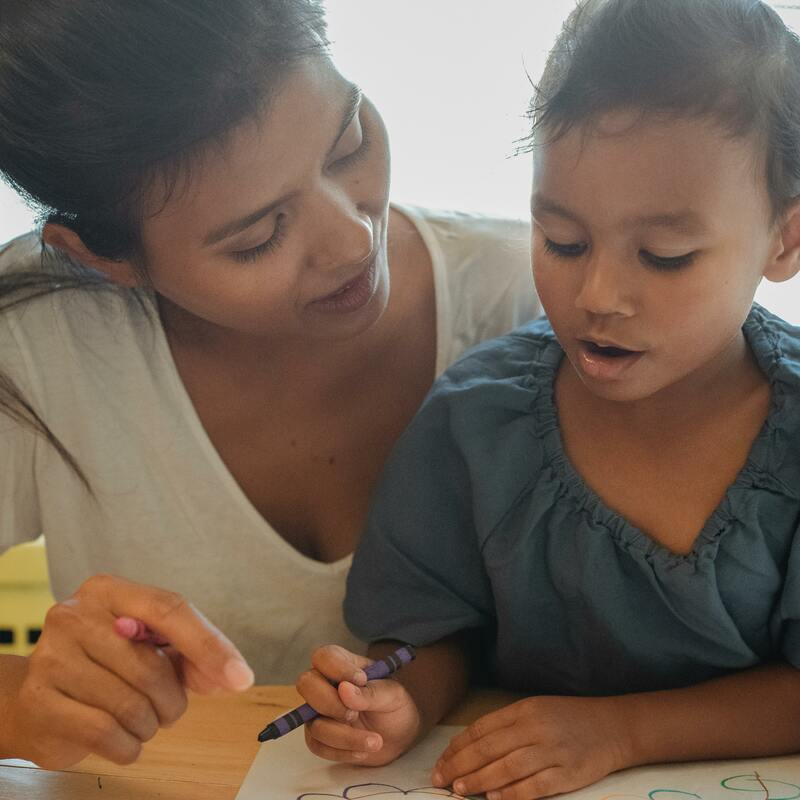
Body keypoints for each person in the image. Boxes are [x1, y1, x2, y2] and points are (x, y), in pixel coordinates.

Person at [0, 0, 540, 770]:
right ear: (101, 259)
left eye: (348, 142)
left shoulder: (542, 299)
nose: (351, 240)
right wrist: (21, 704)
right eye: (258, 237)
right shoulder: (37, 338)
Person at [296, 0, 800, 796]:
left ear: (785, 239)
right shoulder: (476, 423)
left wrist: (621, 733)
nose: (597, 295)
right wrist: (396, 701)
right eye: (563, 241)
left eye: (664, 256)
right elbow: (436, 635)